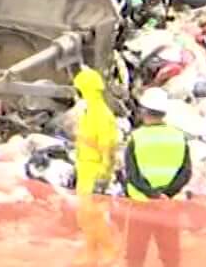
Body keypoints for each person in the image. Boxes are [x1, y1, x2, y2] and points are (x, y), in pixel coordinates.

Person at [122, 87, 190, 267]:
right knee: (170, 255)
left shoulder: (136, 138)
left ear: (143, 111)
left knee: (135, 255)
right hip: (170, 205)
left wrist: (152, 195)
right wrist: (166, 194)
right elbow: (185, 172)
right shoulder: (178, 137)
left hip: (141, 205)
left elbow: (132, 174)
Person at [74, 67, 120, 266]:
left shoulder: (101, 115)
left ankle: (110, 250)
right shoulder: (90, 112)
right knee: (84, 216)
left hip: (94, 170)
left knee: (94, 215)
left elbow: (108, 147)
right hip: (85, 168)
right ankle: (91, 252)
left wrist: (104, 173)